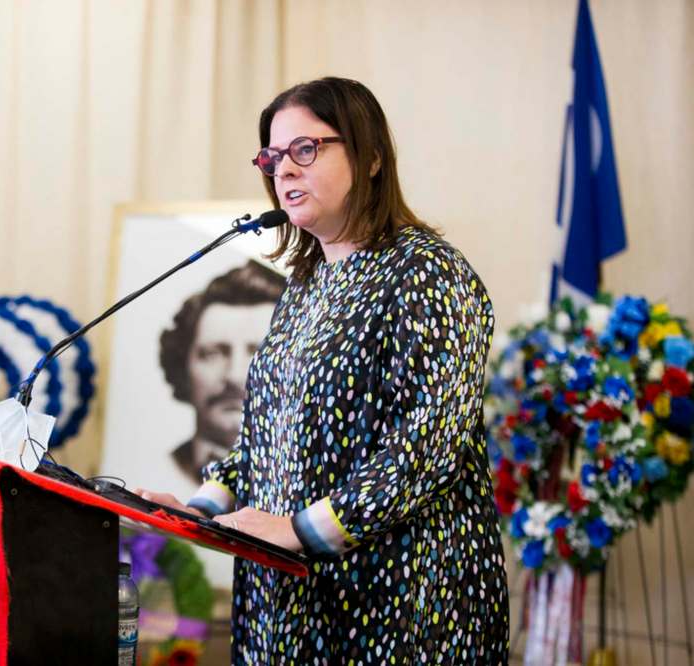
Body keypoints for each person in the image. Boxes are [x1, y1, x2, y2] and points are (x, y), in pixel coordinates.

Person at [139, 77, 509, 663]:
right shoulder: (306, 284)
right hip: (288, 599)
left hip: (399, 601)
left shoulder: (428, 272)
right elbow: (268, 434)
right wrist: (200, 510)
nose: (283, 170)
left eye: (305, 150)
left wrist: (300, 530)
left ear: (370, 158)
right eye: (273, 156)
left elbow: (426, 445)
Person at [159, 262, 285, 484]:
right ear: (182, 366)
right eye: (213, 354)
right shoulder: (160, 467)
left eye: (259, 353)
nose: (235, 376)